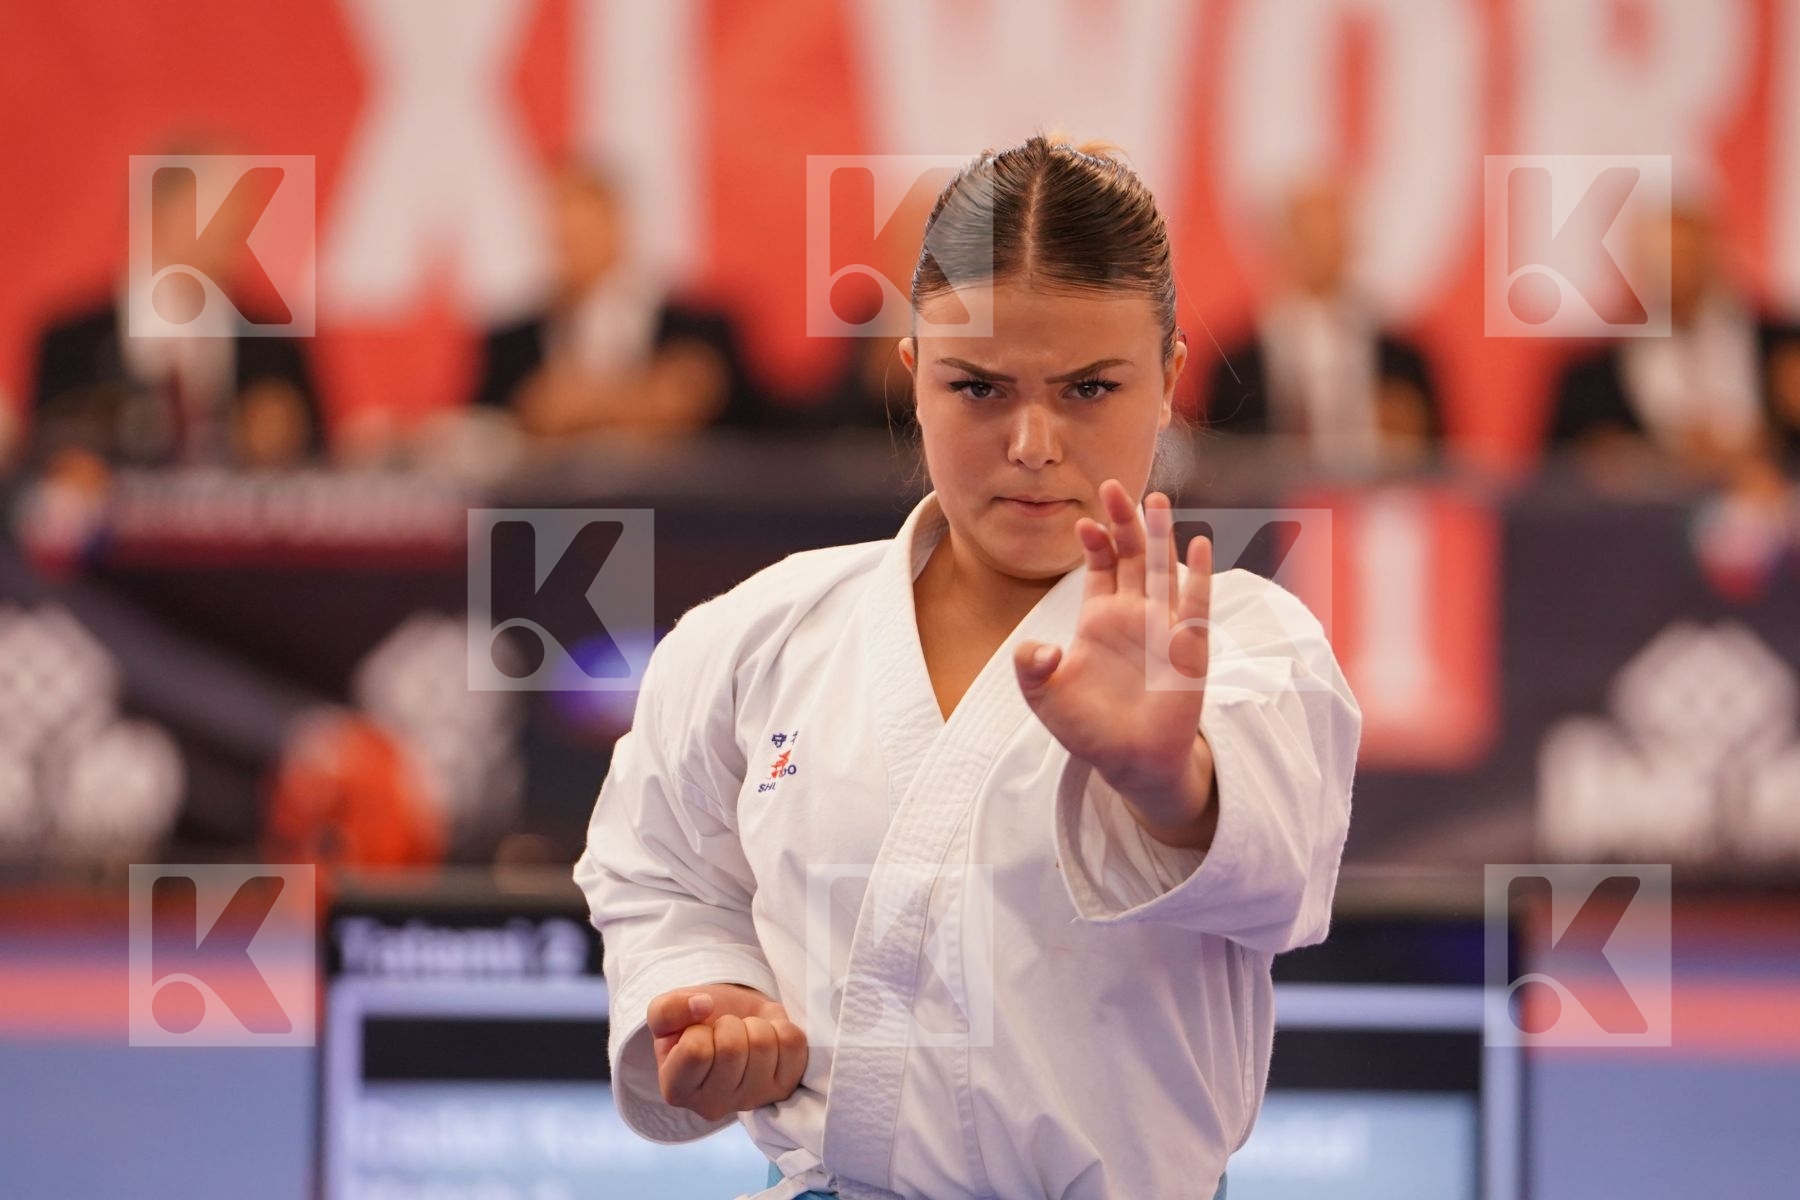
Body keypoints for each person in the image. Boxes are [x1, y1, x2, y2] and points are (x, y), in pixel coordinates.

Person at [574, 134, 1361, 1200]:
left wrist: (1172, 786)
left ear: (1170, 379)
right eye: (979, 387)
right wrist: (712, 991)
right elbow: (654, 865)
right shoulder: (759, 634)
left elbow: (1285, 878)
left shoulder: (1245, 643)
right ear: (913, 373)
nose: (1033, 442)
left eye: (1090, 388)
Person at [30, 156, 324, 470]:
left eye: (245, 212)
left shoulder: (275, 347)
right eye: (220, 209)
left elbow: (323, 468)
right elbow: (40, 467)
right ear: (159, 214)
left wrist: (282, 445)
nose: (240, 227)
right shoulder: (72, 344)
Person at [471, 161, 764, 438]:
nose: (574, 245)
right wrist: (531, 414)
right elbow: (480, 426)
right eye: (563, 234)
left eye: (587, 229)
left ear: (619, 226)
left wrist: (680, 396)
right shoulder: (512, 344)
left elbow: (756, 421)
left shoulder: (699, 331)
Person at [1548, 202, 1800, 490]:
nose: (1676, 274)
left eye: (1686, 256)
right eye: (1661, 260)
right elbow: (1554, 475)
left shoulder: (1784, 350)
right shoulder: (1591, 378)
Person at [1205, 177, 1443, 475]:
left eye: (1334, 234)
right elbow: (1216, 465)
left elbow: (1441, 463)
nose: (1323, 248)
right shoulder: (1235, 365)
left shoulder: (1403, 361)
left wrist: (1405, 443)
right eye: (1309, 236)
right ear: (1281, 244)